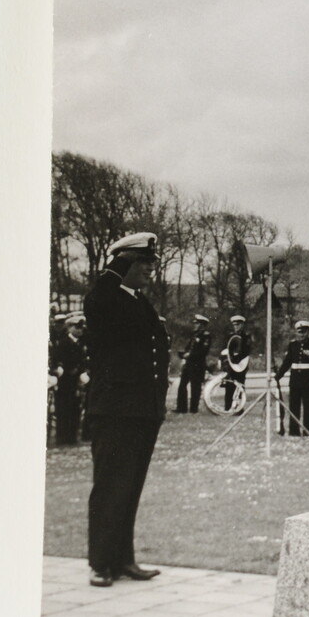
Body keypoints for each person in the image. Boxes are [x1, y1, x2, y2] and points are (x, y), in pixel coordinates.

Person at [82, 231, 171, 587]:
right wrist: (116, 264)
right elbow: (101, 293)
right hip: (115, 410)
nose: (150, 269)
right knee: (109, 487)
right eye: (143, 263)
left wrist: (156, 407)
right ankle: (101, 563)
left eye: (152, 263)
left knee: (129, 487)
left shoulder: (139, 303)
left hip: (140, 412)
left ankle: (123, 559)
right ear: (124, 265)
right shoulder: (106, 298)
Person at [49, 312, 87, 445]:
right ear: (70, 327)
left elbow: (82, 361)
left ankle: (72, 436)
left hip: (76, 381)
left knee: (75, 408)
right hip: (66, 382)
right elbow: (59, 361)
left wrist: (82, 372)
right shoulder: (64, 343)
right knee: (64, 409)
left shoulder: (80, 343)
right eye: (77, 327)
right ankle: (63, 437)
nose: (80, 330)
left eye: (81, 328)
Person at [174, 314, 213, 413]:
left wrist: (189, 355)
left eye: (197, 324)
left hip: (197, 365)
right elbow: (188, 348)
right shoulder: (194, 335)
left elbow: (203, 352)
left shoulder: (206, 336)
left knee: (195, 387)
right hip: (189, 364)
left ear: (202, 325)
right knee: (182, 385)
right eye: (195, 324)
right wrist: (183, 354)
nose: (195, 325)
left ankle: (193, 409)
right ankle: (181, 408)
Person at [217, 315, 253, 412]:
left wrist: (235, 359)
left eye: (238, 325)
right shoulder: (230, 336)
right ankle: (228, 407)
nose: (236, 327)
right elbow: (225, 348)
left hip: (241, 364)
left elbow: (246, 351)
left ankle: (238, 408)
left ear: (242, 325)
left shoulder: (246, 336)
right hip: (231, 364)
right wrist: (224, 359)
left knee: (239, 386)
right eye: (234, 325)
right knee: (229, 385)